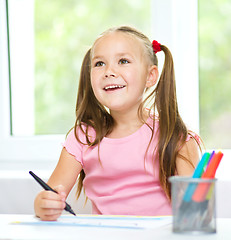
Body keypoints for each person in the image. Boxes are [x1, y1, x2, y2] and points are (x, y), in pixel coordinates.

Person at [34, 26, 201, 221]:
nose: (109, 71)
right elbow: (50, 194)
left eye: (123, 61)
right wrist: (43, 205)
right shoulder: (83, 138)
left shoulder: (176, 136)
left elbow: (197, 212)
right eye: (99, 64)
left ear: (150, 76)